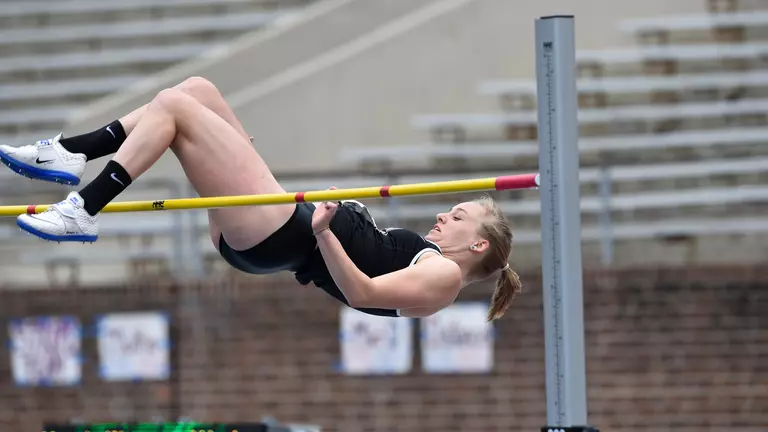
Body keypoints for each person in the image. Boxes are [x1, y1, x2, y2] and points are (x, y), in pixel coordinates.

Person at [0, 77, 522, 321]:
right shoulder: (429, 261)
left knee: (176, 107)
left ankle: (83, 208)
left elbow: (363, 293)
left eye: (458, 216)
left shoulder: (444, 276)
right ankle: (71, 151)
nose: (443, 213)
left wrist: (325, 231)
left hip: (283, 233)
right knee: (198, 93)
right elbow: (368, 258)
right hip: (274, 227)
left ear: (478, 245)